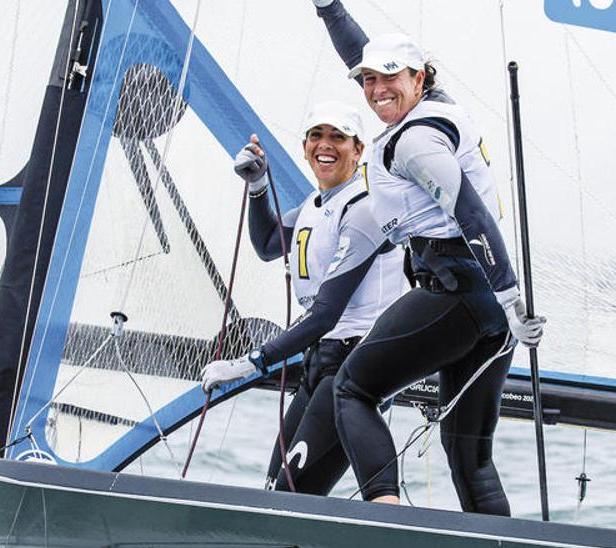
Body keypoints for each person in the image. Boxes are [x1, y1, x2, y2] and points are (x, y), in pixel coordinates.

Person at [311, 0, 546, 516]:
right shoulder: (429, 103)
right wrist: (330, 8)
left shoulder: (415, 142)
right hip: (488, 304)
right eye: (368, 80)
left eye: (389, 78)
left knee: (352, 388)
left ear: (419, 76)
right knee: (469, 456)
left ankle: (387, 515)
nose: (375, 91)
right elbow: (362, 53)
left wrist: (512, 298)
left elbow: (471, 213)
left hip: (461, 288)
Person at [200, 101, 407, 495]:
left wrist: (250, 363)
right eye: (317, 136)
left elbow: (326, 315)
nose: (325, 145)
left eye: (338, 137)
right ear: (305, 146)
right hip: (319, 364)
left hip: (354, 367)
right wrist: (259, 186)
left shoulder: (365, 208)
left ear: (358, 149)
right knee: (276, 490)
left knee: (288, 493)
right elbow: (266, 243)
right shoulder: (314, 206)